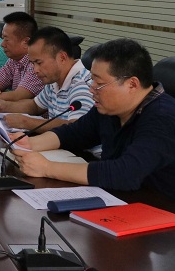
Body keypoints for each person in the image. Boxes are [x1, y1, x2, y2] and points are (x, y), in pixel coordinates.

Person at [12, 39, 175, 199]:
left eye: (99, 83)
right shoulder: (109, 108)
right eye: (92, 80)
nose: (92, 89)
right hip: (119, 197)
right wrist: (29, 144)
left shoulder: (163, 117)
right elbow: (73, 133)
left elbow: (126, 173)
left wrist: (47, 168)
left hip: (161, 209)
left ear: (132, 84)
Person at [0, 26, 93, 132]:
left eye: (39, 63)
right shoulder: (55, 80)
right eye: (32, 63)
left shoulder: (82, 85)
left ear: (62, 58)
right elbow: (35, 106)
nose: (35, 69)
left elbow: (77, 127)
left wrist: (26, 122)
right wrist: (5, 106)